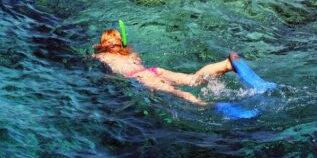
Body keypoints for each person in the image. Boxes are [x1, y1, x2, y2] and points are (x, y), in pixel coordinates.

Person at [93, 28, 236, 106]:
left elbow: (97, 62)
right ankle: (226, 64)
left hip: (140, 77)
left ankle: (204, 104)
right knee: (193, 79)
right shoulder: (131, 53)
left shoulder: (102, 56)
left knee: (176, 92)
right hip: (154, 70)